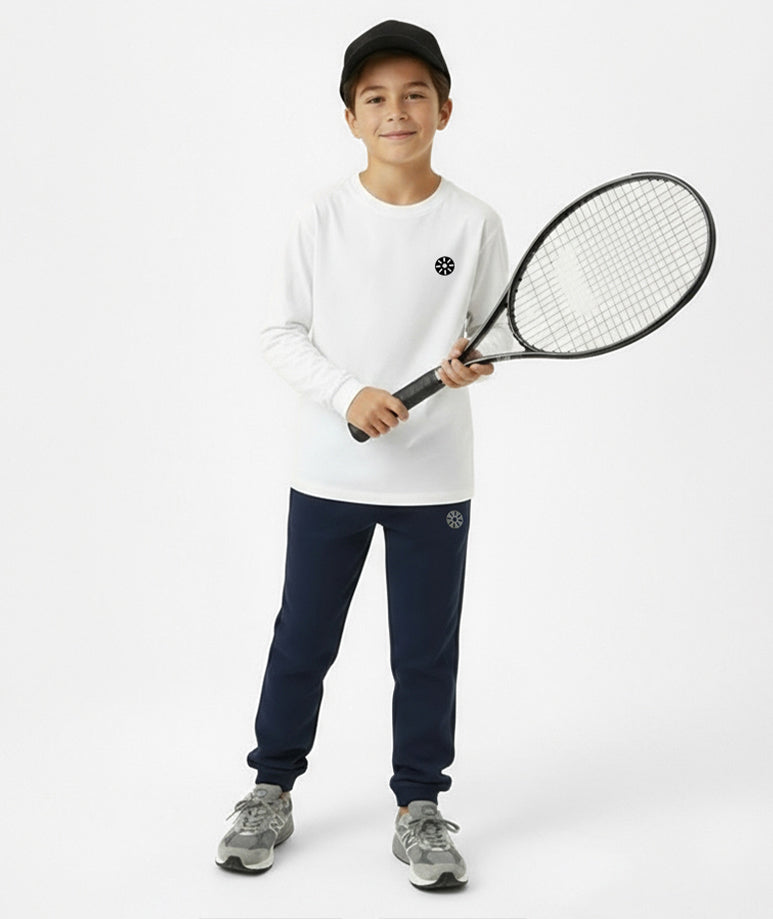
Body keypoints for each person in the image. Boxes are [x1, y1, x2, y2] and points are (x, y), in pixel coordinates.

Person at [216, 19, 511, 890]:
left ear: (444, 109)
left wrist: (470, 362)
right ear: (350, 118)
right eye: (375, 98)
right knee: (302, 638)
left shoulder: (474, 221)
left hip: (433, 480)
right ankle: (269, 789)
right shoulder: (320, 216)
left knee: (425, 652)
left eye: (415, 94)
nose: (396, 111)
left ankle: (419, 806)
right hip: (329, 475)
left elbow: (493, 333)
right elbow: (279, 332)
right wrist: (349, 393)